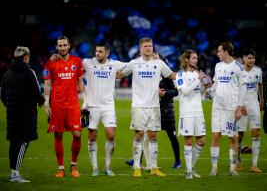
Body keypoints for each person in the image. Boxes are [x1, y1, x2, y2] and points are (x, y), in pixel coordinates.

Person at [121, 37, 176, 177]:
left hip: (154, 106)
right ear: (140, 48)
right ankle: (137, 167)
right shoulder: (134, 63)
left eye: (150, 46)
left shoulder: (159, 63)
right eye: (145, 46)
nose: (148, 48)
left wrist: (189, 76)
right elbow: (119, 74)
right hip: (139, 106)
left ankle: (154, 168)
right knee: (139, 134)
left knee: (153, 136)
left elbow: (172, 75)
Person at [82, 42, 127, 177]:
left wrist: (149, 58)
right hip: (92, 106)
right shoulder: (87, 62)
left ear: (107, 53)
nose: (97, 54)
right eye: (96, 51)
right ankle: (95, 167)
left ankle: (108, 166)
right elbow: (70, 61)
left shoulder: (114, 64)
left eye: (100, 51)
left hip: (108, 106)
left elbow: (131, 66)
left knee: (111, 135)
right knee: (92, 136)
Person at [43, 36, 85, 178]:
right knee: (58, 134)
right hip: (57, 104)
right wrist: (46, 103)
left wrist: (84, 100)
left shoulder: (77, 61)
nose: (62, 48)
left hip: (73, 104)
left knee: (78, 135)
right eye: (59, 46)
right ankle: (60, 168)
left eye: (64, 45)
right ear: (56, 47)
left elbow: (80, 80)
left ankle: (74, 164)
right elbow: (47, 84)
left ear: (69, 45)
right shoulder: (51, 62)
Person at [1, 46, 45, 182]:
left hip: (11, 113)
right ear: (25, 57)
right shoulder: (29, 72)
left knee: (14, 142)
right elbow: (36, 92)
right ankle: (15, 173)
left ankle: (13, 171)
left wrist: (10, 106)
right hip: (26, 113)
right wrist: (41, 101)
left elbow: (2, 95)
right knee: (24, 142)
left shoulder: (7, 73)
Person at [209, 42, 247, 176]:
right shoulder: (218, 66)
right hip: (217, 107)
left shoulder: (238, 67)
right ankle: (214, 168)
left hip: (231, 108)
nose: (217, 53)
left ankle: (232, 168)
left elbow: (243, 88)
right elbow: (216, 83)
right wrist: (209, 90)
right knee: (215, 135)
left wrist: (239, 108)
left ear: (226, 51)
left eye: (219, 51)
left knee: (232, 137)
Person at [174, 49, 208, 179]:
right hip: (187, 112)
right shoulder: (180, 75)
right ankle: (188, 171)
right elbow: (186, 91)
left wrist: (206, 87)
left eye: (196, 58)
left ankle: (191, 167)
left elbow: (198, 93)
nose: (196, 60)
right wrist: (198, 80)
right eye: (193, 58)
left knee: (202, 141)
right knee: (188, 140)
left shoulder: (197, 74)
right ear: (187, 60)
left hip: (198, 112)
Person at [236, 48, 263, 173]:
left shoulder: (258, 71)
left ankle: (254, 165)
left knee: (256, 133)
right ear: (243, 58)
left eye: (253, 58)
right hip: (242, 107)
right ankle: (238, 160)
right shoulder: (238, 72)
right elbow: (235, 90)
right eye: (249, 58)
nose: (251, 60)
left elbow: (260, 85)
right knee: (240, 134)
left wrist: (261, 99)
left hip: (254, 106)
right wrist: (240, 106)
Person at [158, 53, 181, 169]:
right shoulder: (151, 74)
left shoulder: (167, 75)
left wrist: (164, 93)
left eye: (156, 58)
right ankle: (138, 160)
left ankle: (178, 161)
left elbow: (176, 91)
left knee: (172, 136)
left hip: (166, 109)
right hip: (153, 108)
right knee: (146, 134)